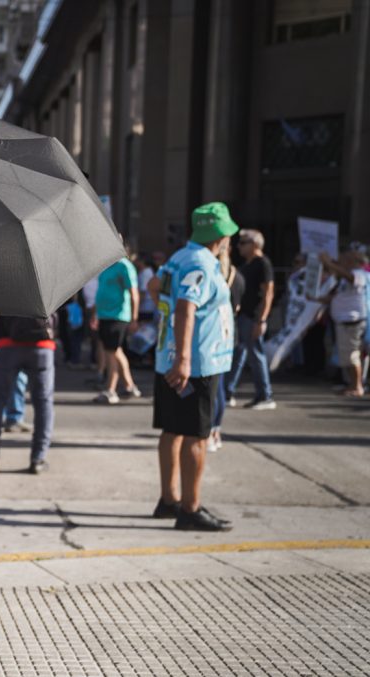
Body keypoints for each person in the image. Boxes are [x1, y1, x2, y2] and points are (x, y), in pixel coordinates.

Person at [152, 202, 237, 531]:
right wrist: (184, 359)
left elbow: (154, 289)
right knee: (196, 437)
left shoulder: (179, 257)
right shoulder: (201, 262)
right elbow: (187, 306)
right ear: (220, 236)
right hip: (196, 364)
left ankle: (168, 500)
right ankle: (190, 509)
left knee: (172, 430)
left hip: (168, 357)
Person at [0, 315, 56, 474]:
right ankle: (38, 459)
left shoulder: (4, 288)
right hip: (42, 342)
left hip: (8, 342)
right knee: (43, 403)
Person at [225, 228, 276, 410]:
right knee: (238, 355)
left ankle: (265, 396)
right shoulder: (247, 265)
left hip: (252, 318)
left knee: (256, 356)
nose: (239, 246)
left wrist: (261, 320)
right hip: (243, 317)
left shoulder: (263, 264)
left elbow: (268, 293)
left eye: (243, 243)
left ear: (255, 244)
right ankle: (227, 392)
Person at [317, 247, 369, 397]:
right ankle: (352, 384)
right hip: (343, 322)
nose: (342, 263)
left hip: (352, 322)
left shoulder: (359, 274)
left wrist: (329, 263)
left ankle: (357, 386)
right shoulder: (344, 280)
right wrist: (314, 299)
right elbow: (333, 297)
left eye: (345, 260)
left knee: (353, 355)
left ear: (355, 262)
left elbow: (350, 277)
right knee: (347, 356)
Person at [92, 252, 142, 403]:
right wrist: (95, 313)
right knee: (115, 351)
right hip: (104, 315)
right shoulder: (104, 265)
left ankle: (111, 389)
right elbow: (101, 292)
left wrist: (134, 318)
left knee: (111, 352)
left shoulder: (124, 266)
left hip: (118, 315)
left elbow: (134, 293)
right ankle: (129, 385)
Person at [209, 241, 244, 452]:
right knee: (220, 384)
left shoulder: (213, 276)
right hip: (229, 332)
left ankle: (212, 431)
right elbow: (238, 306)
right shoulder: (237, 276)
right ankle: (216, 430)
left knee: (215, 386)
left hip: (212, 333)